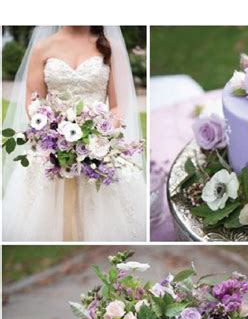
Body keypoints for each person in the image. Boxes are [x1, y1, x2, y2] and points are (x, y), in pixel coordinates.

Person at [2, 25, 146, 241]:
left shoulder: (110, 47)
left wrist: (97, 137)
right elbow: (33, 103)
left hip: (98, 150)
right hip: (51, 149)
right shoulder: (42, 48)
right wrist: (54, 133)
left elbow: (117, 107)